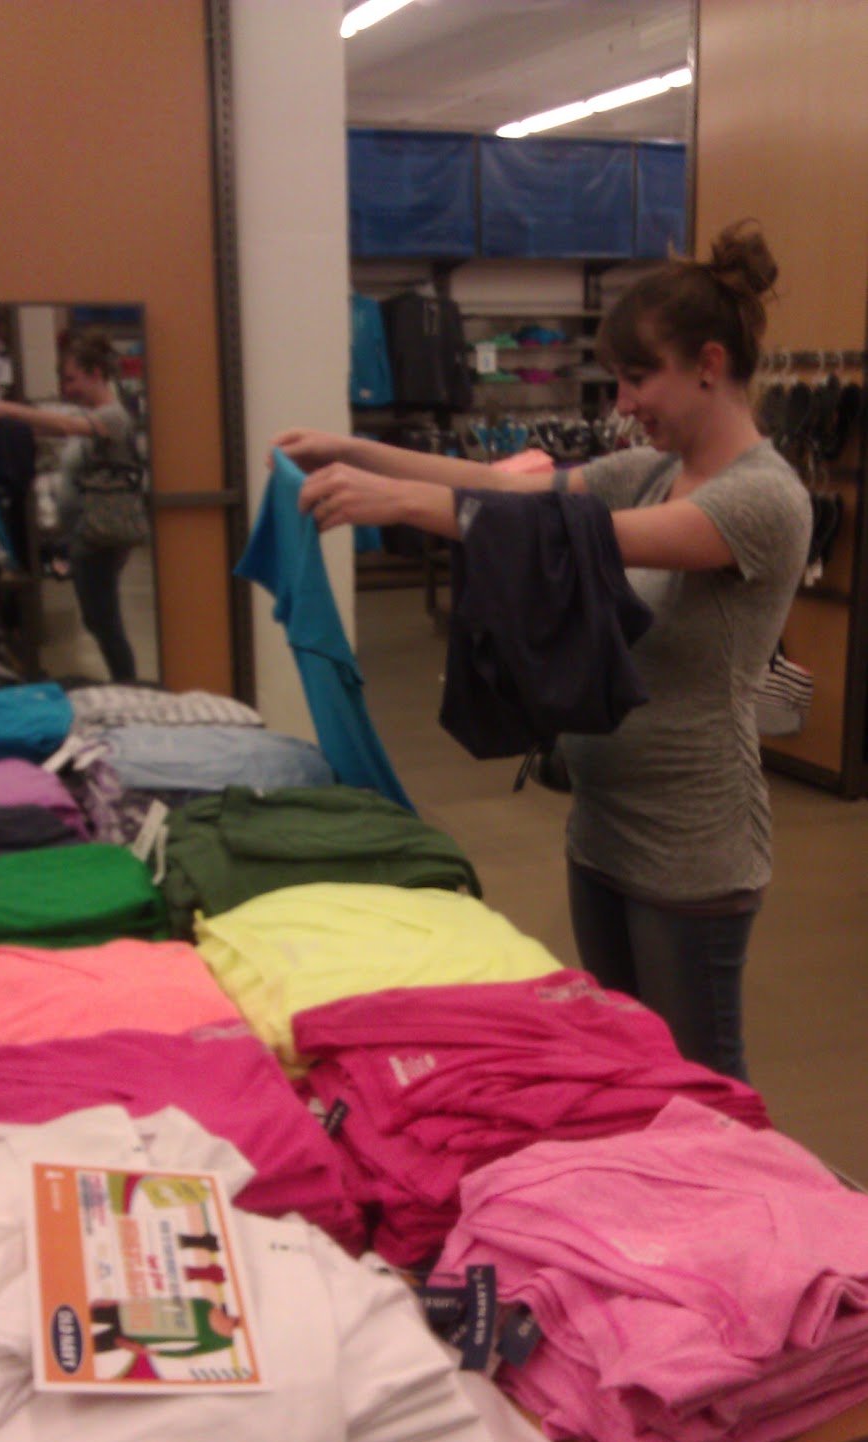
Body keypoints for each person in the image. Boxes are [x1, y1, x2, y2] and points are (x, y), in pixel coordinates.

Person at [272, 221, 812, 1082]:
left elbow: (572, 540)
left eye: (639, 377)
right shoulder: (648, 471)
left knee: (706, 1088)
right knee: (627, 1070)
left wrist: (398, 505)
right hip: (601, 832)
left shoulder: (764, 501)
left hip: (692, 851)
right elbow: (504, 488)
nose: (623, 402)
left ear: (709, 365)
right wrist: (350, 447)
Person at [0, 329, 139, 682]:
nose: (67, 388)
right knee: (98, 620)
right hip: (86, 535)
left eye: (72, 379)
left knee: (104, 621)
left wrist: (4, 408)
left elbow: (63, 426)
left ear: (96, 374)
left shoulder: (112, 417)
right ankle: (126, 682)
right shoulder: (94, 417)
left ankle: (129, 686)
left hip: (99, 537)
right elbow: (49, 428)